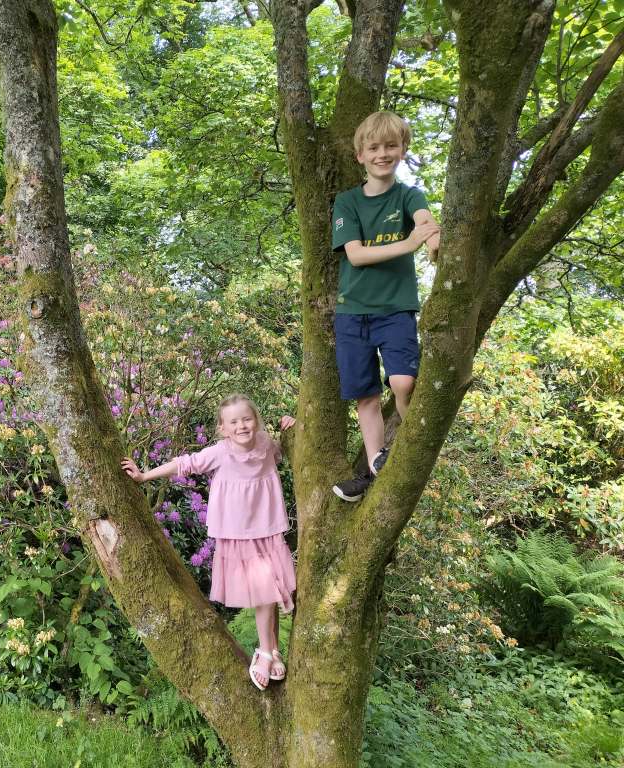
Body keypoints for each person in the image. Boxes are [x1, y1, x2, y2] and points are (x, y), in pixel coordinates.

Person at [121, 394, 297, 690]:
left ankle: (272, 651)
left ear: (256, 420)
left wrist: (292, 426)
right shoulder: (220, 452)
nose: (242, 426)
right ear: (223, 428)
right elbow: (184, 464)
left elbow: (286, 449)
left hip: (267, 531)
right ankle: (266, 652)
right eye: (234, 422)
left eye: (247, 419)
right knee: (264, 592)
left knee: (271, 591)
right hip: (238, 534)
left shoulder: (266, 444)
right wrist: (144, 476)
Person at [330, 110, 440, 502]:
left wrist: (432, 241)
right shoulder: (348, 202)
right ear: (360, 155)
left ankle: (414, 452)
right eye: (374, 147)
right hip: (353, 312)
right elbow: (356, 255)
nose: (382, 154)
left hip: (395, 308)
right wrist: (409, 243)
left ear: (402, 150)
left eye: (391, 146)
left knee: (403, 383)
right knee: (366, 395)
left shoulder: (409, 195)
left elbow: (425, 220)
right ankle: (378, 459)